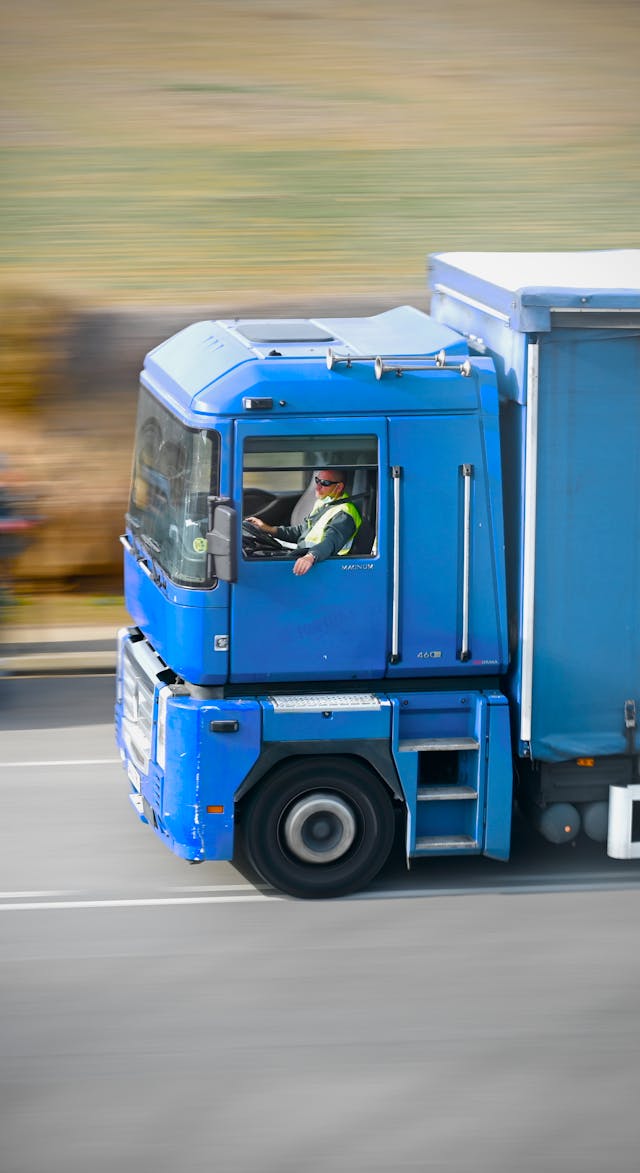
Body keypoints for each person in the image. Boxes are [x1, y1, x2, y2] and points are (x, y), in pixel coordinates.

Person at [246, 468, 361, 576]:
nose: (317, 487)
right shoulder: (325, 503)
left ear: (339, 487)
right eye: (317, 480)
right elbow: (303, 531)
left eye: (325, 483)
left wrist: (311, 557)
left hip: (324, 566)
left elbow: (330, 542)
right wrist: (268, 529)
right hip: (303, 554)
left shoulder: (344, 513)